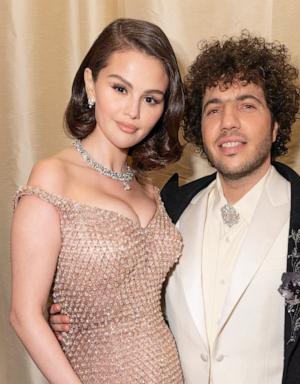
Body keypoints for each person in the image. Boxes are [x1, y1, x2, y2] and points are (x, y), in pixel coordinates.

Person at [50, 32, 300, 383]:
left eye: (247, 105)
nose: (228, 122)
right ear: (198, 127)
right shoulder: (164, 208)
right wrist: (78, 319)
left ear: (275, 126)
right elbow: (127, 296)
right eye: (213, 109)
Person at [10, 18, 185, 383]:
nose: (133, 112)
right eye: (120, 89)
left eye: (150, 98)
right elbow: (24, 315)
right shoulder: (53, 176)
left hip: (169, 371)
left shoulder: (148, 187)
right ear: (90, 84)